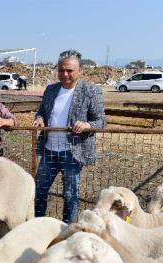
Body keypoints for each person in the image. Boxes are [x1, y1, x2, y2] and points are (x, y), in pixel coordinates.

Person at [32, 49, 106, 224]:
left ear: (80, 71)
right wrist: (40, 118)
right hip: (49, 150)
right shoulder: (51, 90)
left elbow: (101, 120)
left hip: (72, 153)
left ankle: (67, 229)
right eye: (61, 70)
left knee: (70, 195)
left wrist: (87, 125)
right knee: (39, 191)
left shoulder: (90, 91)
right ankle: (37, 225)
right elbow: (42, 111)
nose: (64, 74)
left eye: (70, 70)